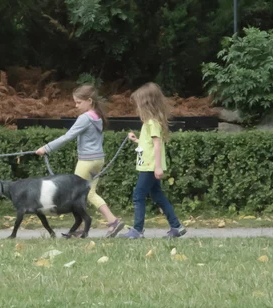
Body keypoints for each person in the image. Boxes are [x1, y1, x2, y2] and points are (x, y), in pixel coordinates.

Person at [36, 84, 124, 238]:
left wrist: (46, 148)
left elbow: (68, 136)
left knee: (80, 194)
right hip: (98, 159)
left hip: (86, 161)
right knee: (89, 193)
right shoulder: (98, 116)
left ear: (89, 100)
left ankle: (110, 221)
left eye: (78, 102)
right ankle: (88, 225)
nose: (76, 106)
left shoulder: (85, 118)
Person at [120, 82, 186, 239]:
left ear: (146, 104)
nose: (137, 108)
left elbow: (157, 145)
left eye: (138, 104)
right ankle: (176, 226)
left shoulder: (151, 123)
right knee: (157, 195)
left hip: (150, 166)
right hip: (150, 165)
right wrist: (136, 140)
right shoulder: (150, 123)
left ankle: (137, 230)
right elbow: (148, 144)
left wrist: (157, 167)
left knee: (138, 195)